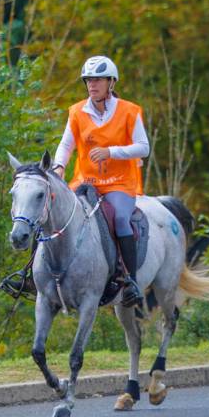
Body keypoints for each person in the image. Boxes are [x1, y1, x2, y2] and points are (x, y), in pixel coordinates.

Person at [51, 54, 150, 305]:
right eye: (88, 81)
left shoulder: (129, 111)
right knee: (51, 210)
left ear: (111, 83)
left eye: (98, 80)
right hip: (86, 182)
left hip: (119, 183)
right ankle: (32, 275)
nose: (92, 85)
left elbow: (143, 147)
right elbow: (65, 145)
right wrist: (59, 166)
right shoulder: (76, 112)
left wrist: (111, 152)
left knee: (119, 218)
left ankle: (131, 282)